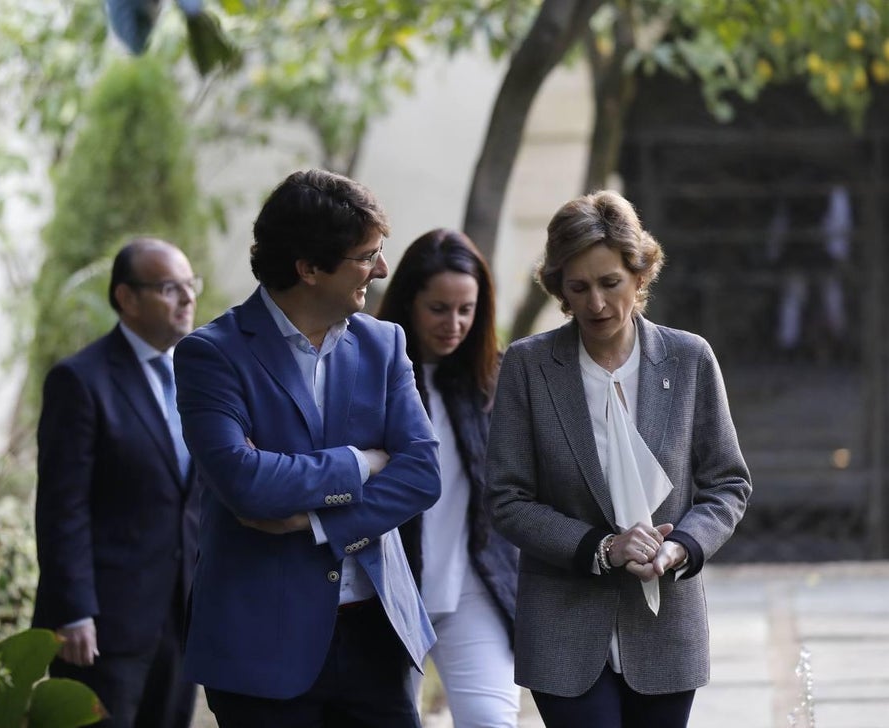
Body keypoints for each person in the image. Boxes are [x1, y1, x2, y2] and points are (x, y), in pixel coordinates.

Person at [174, 169, 441, 727]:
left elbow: (421, 474)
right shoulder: (211, 355)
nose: (383, 268)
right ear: (309, 268)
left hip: (377, 636)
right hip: (262, 648)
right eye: (367, 255)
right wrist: (362, 461)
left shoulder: (384, 342)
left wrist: (317, 524)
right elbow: (244, 482)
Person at [485, 191, 751, 728]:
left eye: (611, 284)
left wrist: (677, 549)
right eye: (578, 288)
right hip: (562, 626)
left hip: (666, 627)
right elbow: (507, 499)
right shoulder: (528, 365)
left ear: (640, 274)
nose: (597, 305)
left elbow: (727, 484)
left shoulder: (689, 358)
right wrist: (603, 548)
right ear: (558, 287)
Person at [32, 238, 203, 728]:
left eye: (191, 286)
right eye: (171, 288)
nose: (188, 299)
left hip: (180, 618)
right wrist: (74, 612)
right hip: (103, 628)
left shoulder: (196, 378)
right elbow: (62, 509)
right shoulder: (80, 381)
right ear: (127, 298)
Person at [376, 228, 520, 728]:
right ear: (409, 302)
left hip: (471, 589)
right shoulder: (368, 375)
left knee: (491, 721)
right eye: (439, 308)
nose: (454, 324)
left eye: (467, 309)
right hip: (386, 597)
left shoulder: (495, 380)